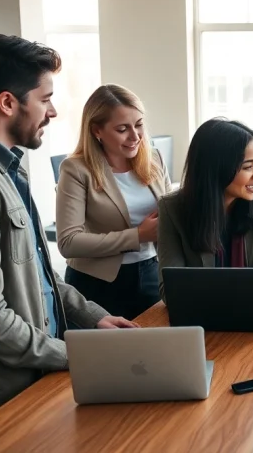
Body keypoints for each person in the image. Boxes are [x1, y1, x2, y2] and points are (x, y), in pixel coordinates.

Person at [0, 34, 135, 429]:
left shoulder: (5, 167)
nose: (52, 112)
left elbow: (37, 274)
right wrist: (73, 354)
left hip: (36, 381)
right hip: (1, 401)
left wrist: (93, 318)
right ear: (7, 103)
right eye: (45, 98)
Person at [55, 84, 172, 320]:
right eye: (122, 129)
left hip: (151, 273)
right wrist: (137, 236)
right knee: (106, 356)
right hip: (96, 285)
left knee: (155, 351)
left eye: (139, 124)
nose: (135, 136)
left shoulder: (155, 159)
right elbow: (68, 242)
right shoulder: (76, 170)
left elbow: (170, 215)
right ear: (97, 130)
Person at [157, 119, 253, 298]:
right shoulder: (172, 208)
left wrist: (243, 298)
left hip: (252, 308)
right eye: (248, 167)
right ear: (216, 170)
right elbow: (170, 289)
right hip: (201, 317)